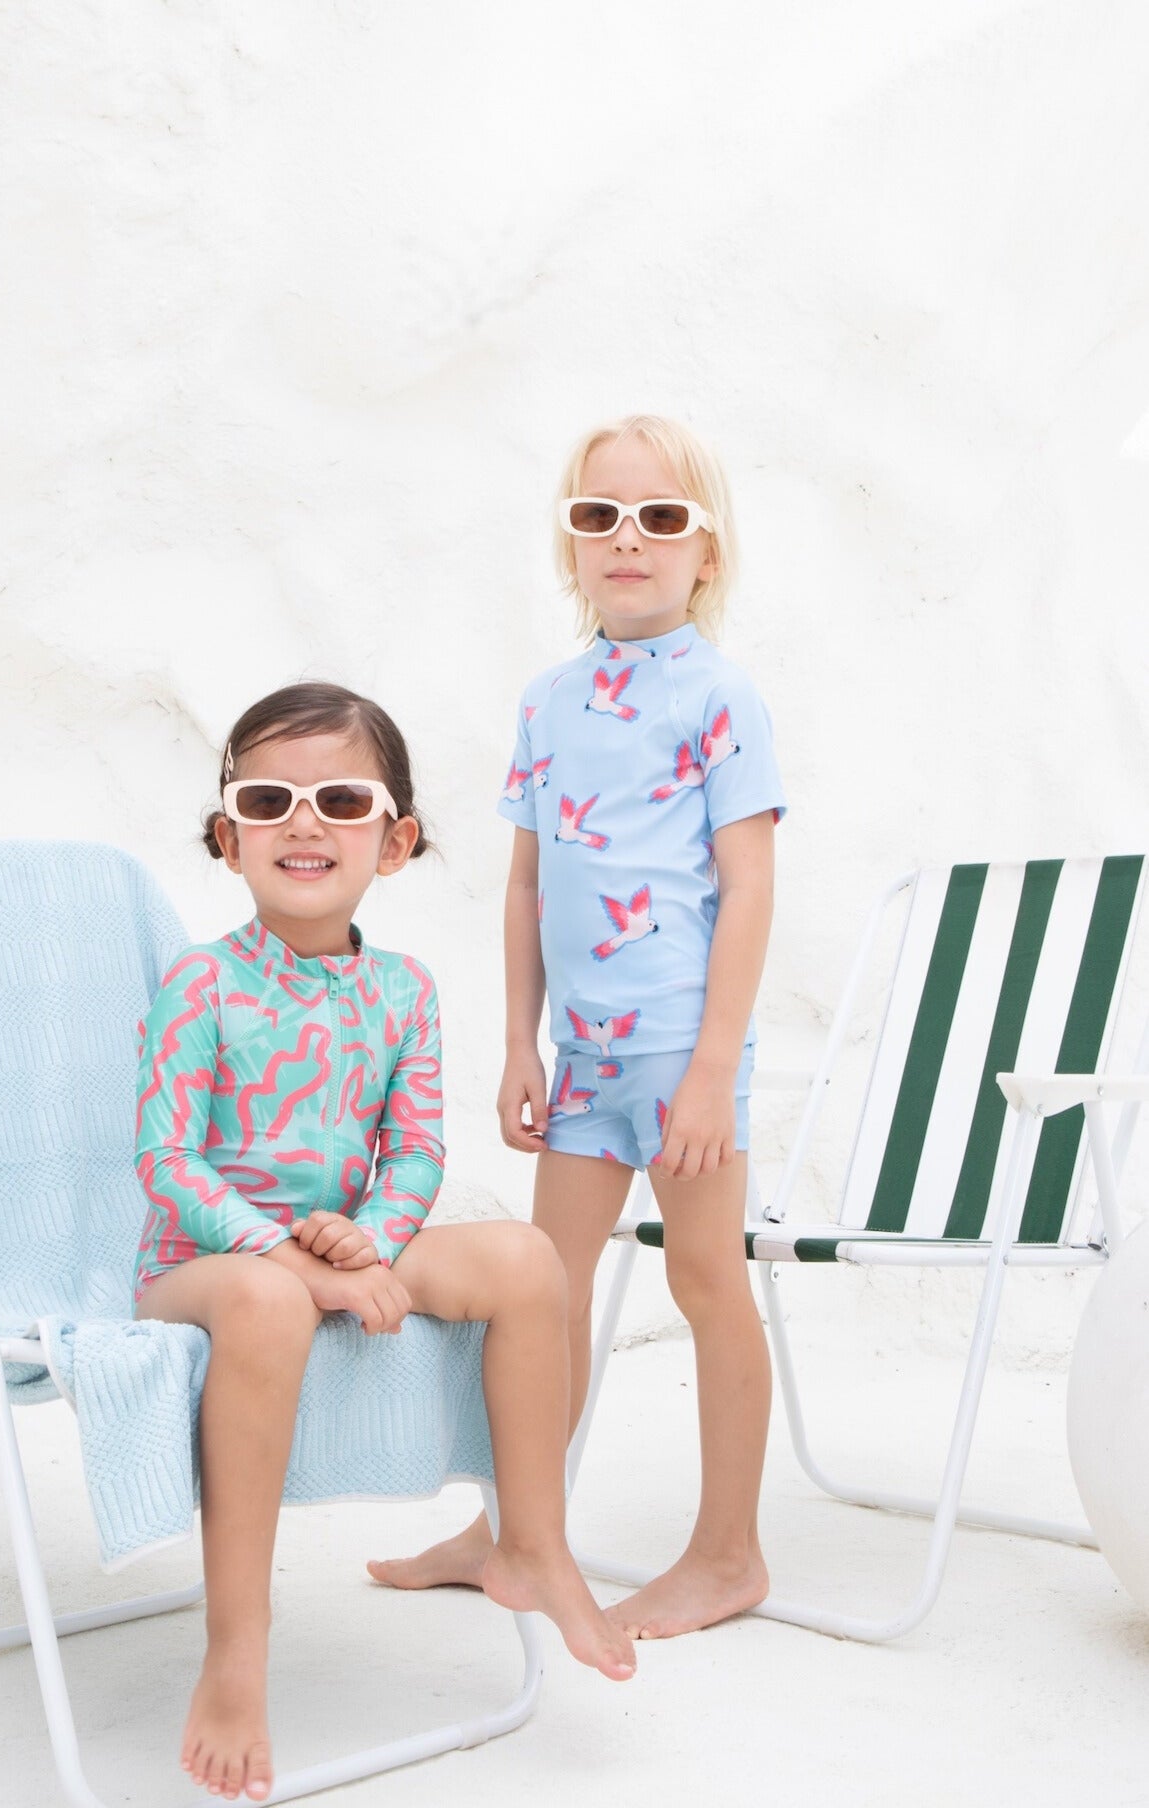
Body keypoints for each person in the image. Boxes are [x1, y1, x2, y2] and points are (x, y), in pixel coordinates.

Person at [135, 681, 635, 1805]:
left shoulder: (403, 993)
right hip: (205, 1265)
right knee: (268, 1302)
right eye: (269, 798)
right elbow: (167, 1162)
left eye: (340, 798)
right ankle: (237, 1647)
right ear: (229, 838)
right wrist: (286, 1254)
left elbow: (412, 1154)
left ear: (394, 839)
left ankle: (531, 1538)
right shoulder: (199, 983)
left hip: (344, 1242)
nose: (302, 822)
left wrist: (369, 1240)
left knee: (524, 1256)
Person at [369, 415, 785, 1643]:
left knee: (707, 1278)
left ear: (704, 551)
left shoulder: (719, 695)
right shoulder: (549, 701)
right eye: (597, 515)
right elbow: (524, 883)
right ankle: (513, 1528)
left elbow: (749, 886)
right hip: (586, 1060)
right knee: (545, 1291)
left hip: (680, 1051)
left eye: (660, 516)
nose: (626, 537)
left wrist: (711, 1067)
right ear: (568, 543)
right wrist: (517, 1042)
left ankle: (727, 1550)